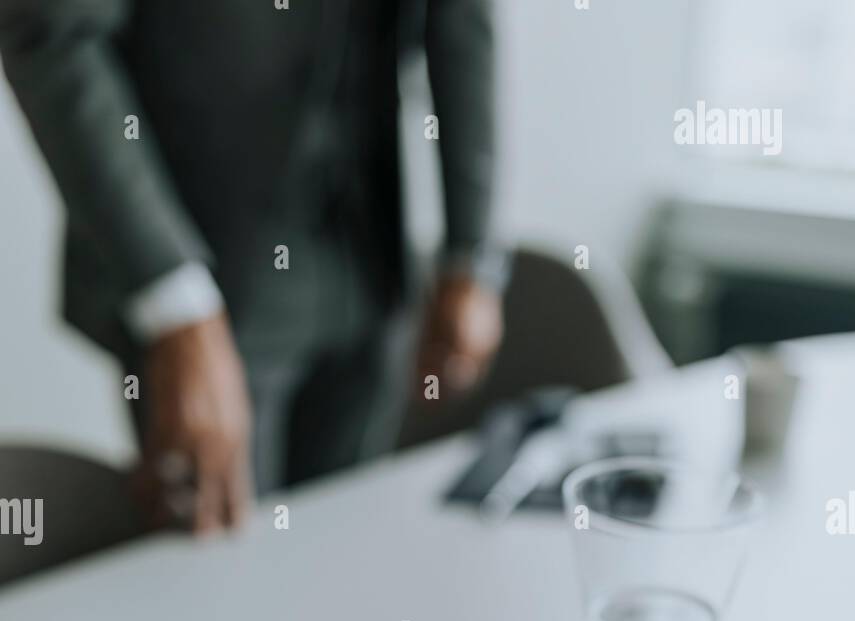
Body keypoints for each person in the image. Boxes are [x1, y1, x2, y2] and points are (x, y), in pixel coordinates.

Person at [0, 0, 506, 532]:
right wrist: (174, 304)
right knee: (220, 562)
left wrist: (470, 255)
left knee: (345, 557)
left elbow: (463, 17)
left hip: (371, 252)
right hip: (208, 268)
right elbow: (50, 33)